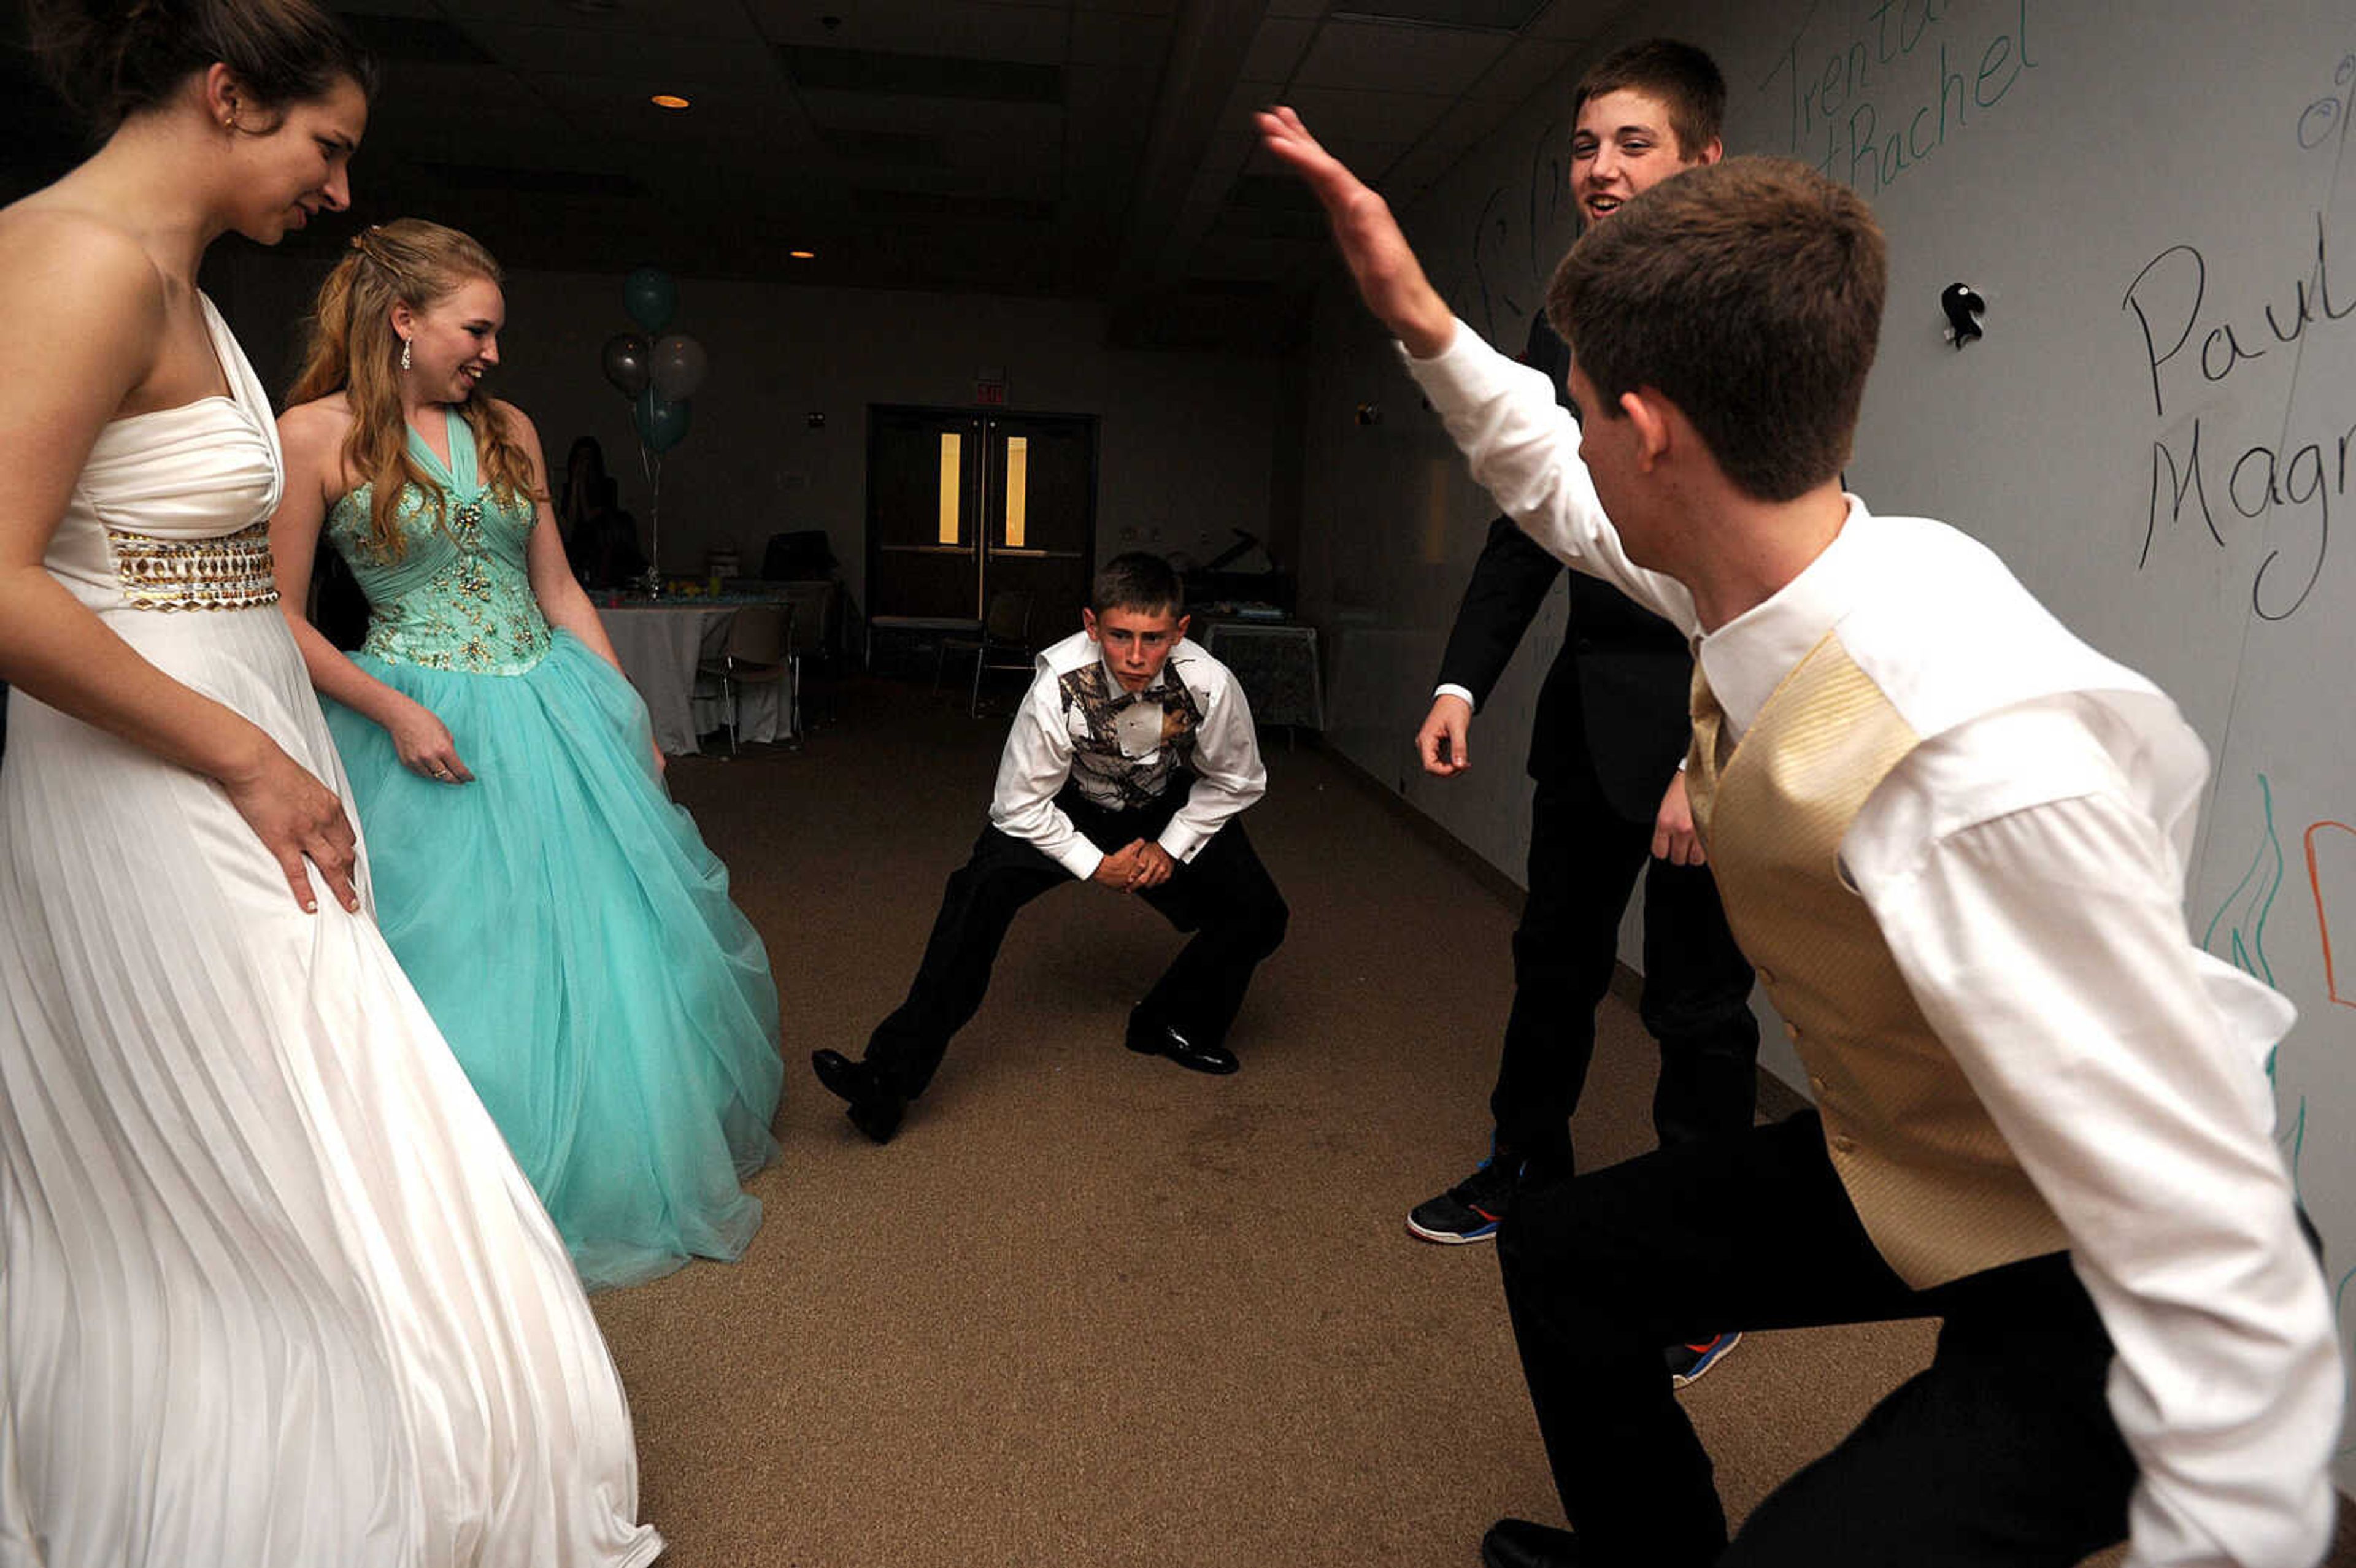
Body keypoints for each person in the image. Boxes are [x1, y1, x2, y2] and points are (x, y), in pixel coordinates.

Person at [1262, 111, 2341, 1568]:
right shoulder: (1782, 563)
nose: (1573, 440)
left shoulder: (1967, 769)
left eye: (1583, 406)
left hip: (2117, 1262)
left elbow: (2222, 1263)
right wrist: (1416, 317)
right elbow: (1561, 492)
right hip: (1927, 1148)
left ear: (1652, 433)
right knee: (1568, 1253)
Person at [0, 5, 661, 1563]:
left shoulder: (174, 281)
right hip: (165, 776)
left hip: (239, 756)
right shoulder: (81, 258)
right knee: (291, 1131)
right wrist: (249, 756)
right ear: (228, 95)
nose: (342, 192)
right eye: (330, 144)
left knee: (314, 1130)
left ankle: (315, 1462)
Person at [269, 218, 784, 1291]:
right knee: (463, 951)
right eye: (478, 328)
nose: (494, 352)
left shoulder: (510, 427)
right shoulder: (312, 435)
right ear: (402, 321)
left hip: (549, 705)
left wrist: (629, 710)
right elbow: (274, 618)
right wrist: (393, 711)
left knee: (601, 937)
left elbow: (555, 589)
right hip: (413, 714)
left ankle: (604, 1165)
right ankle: (464, 1191)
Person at [1406, 45, 1758, 1391]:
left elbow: (1784, 556)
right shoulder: (1574, 313)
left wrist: (1707, 752)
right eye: (1586, 147)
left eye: (1633, 145)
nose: (1600, 171)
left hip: (1703, 735)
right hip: (1583, 721)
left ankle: (1706, 1269)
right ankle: (1521, 1165)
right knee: (1552, 960)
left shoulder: (1751, 306)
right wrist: (1459, 681)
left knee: (1698, 1013)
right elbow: (1535, 518)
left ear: (1702, 160)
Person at [812, 552, 1287, 1143]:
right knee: (973, 897)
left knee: (1261, 916)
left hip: (1164, 800)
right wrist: (1094, 864)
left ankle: (1169, 1023)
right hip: (1067, 801)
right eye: (1120, 637)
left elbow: (1239, 779)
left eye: (1153, 639)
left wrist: (1171, 846)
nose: (1137, 656)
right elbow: (1017, 804)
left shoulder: (1209, 683)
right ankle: (885, 1081)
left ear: (1180, 632)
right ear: (1093, 626)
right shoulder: (1057, 684)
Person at [559, 434, 647, 591]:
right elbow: (570, 522)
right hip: (578, 543)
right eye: (580, 458)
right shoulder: (569, 488)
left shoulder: (608, 486)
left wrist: (582, 486)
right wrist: (575, 484)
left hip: (601, 542)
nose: (583, 463)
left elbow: (589, 517)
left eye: (587, 458)